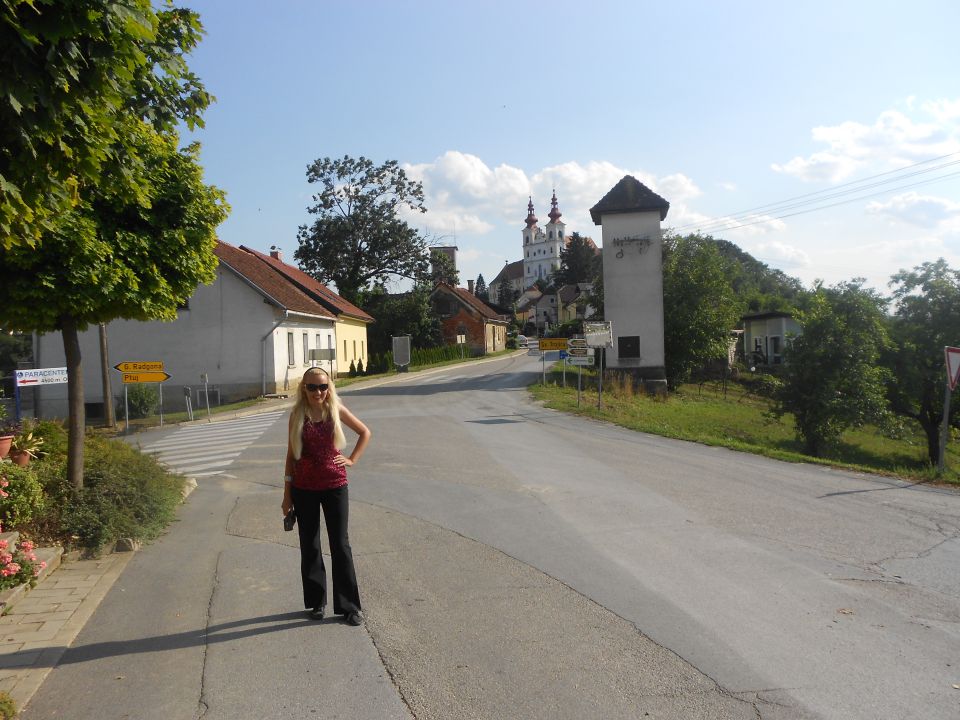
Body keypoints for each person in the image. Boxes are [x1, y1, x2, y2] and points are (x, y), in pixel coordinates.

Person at [282, 367, 371, 625]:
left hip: (335, 485)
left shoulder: (336, 411)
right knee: (310, 545)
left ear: (329, 388)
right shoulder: (297, 415)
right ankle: (316, 603)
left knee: (340, 544)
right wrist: (287, 495)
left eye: (323, 387)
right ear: (304, 389)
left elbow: (365, 432)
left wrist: (352, 459)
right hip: (304, 488)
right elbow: (290, 456)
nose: (318, 392)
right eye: (312, 387)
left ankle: (349, 607)